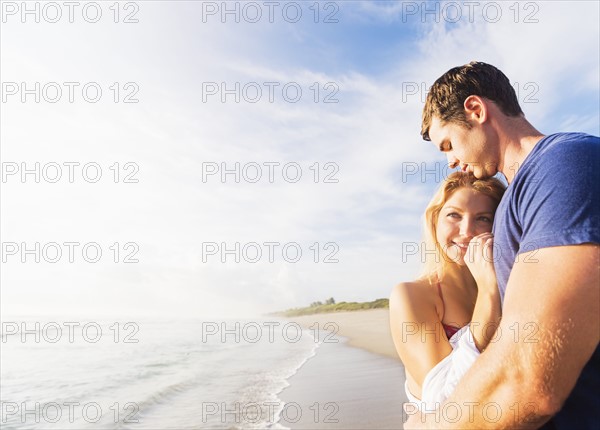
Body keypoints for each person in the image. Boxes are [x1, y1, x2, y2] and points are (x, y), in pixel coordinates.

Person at [404, 61, 599, 429]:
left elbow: (531, 378)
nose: (450, 162)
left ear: (476, 110)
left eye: (448, 143)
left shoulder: (564, 164)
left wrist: (434, 425)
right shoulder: (514, 196)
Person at [390, 171, 506, 411]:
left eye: (483, 218)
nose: (467, 231)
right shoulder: (411, 296)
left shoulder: (512, 287)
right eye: (454, 215)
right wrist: (488, 289)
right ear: (435, 221)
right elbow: (442, 403)